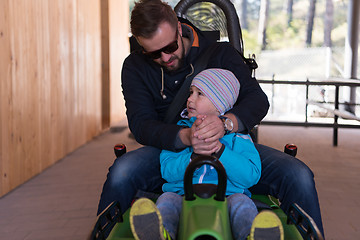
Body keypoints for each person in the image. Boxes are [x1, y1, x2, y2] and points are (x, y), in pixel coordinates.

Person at [97, 0, 324, 237]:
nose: (165, 58)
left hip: (230, 143)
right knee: (121, 172)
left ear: (178, 27)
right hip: (172, 147)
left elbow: (257, 100)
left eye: (170, 46)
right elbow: (141, 124)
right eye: (154, 53)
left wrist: (226, 123)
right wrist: (184, 137)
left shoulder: (220, 53)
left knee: (298, 175)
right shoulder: (134, 67)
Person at [129, 68, 284, 240]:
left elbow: (250, 176)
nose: (189, 99)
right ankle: (160, 234)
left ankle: (251, 235)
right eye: (191, 92)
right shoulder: (180, 133)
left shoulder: (238, 138)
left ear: (220, 104)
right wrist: (193, 156)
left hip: (227, 195)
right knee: (166, 200)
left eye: (199, 93)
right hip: (183, 194)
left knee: (243, 204)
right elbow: (167, 171)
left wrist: (220, 151)